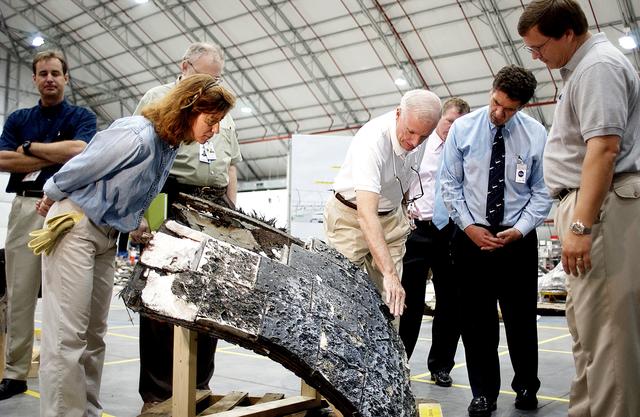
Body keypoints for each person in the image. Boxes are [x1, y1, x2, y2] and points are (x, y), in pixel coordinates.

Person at [35, 74, 235, 417]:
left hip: (105, 234)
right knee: (67, 338)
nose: (214, 131)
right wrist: (50, 196)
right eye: (212, 120)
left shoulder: (167, 145)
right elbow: (82, 167)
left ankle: (87, 411)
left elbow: (127, 192)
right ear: (189, 107)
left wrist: (136, 224)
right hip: (77, 226)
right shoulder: (137, 135)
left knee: (94, 336)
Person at [518, 2, 640, 416]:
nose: (536, 57)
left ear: (568, 33)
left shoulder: (597, 69)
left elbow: (604, 150)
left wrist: (582, 225)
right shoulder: (584, 69)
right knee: (587, 330)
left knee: (607, 335)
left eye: (539, 47)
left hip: (603, 207)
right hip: (593, 204)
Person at [132, 42, 242, 411]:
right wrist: (143, 214)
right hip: (172, 196)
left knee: (211, 298)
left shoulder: (221, 105)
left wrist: (233, 214)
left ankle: (198, 385)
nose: (210, 85)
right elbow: (142, 155)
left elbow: (230, 167)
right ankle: (158, 394)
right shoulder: (160, 96)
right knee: (162, 296)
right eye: (203, 76)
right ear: (184, 66)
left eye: (215, 78)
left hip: (216, 206)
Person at [440, 65, 552, 417]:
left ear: (522, 107)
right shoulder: (463, 129)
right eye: (495, 103)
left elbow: (542, 190)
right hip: (472, 237)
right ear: (492, 91)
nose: (498, 113)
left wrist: (520, 229)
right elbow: (449, 184)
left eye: (509, 109)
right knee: (477, 322)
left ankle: (525, 387)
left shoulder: (536, 134)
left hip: (516, 239)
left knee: (521, 320)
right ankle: (483, 393)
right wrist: (470, 227)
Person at [0, 50, 96, 400]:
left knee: (68, 298)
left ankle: (67, 372)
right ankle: (14, 373)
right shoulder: (18, 118)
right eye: (43, 73)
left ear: (67, 77)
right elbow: (2, 159)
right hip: (26, 207)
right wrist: (52, 152)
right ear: (34, 79)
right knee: (20, 295)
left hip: (68, 209)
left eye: (56, 72)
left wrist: (29, 150)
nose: (50, 78)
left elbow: (81, 150)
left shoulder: (81, 116)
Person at [324, 89, 441, 319]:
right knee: (340, 294)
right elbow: (366, 216)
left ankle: (388, 353)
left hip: (391, 217)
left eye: (423, 137)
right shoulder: (371, 141)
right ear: (398, 114)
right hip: (351, 218)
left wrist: (406, 207)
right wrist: (389, 273)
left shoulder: (419, 135)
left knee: (392, 300)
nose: (415, 142)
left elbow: (405, 174)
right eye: (411, 132)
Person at [399, 97, 470, 385]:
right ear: (440, 118)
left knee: (450, 302)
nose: (452, 129)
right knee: (409, 301)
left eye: (458, 124)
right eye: (450, 122)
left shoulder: (464, 149)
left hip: (450, 230)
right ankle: (399, 361)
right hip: (417, 229)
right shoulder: (420, 146)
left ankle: (441, 365)